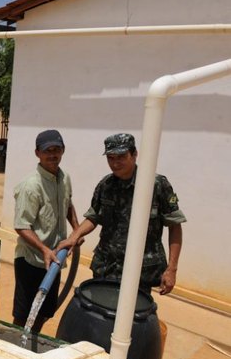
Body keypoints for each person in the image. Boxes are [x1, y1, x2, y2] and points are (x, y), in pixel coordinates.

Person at [58, 133, 186, 295]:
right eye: (110, 158)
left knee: (134, 317)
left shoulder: (157, 185)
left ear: (134, 154)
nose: (115, 163)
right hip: (107, 266)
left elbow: (174, 226)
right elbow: (93, 217)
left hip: (141, 272)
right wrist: (73, 237)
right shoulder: (106, 185)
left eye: (121, 157)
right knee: (101, 315)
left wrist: (172, 269)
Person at [12, 130, 80, 333]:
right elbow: (21, 225)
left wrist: (76, 231)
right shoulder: (31, 186)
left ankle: (32, 338)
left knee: (45, 310)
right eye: (47, 151)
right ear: (37, 153)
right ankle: (16, 345)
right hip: (32, 261)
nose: (53, 155)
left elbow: (67, 204)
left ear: (63, 151)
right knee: (24, 314)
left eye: (57, 150)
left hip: (54, 259)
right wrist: (43, 249)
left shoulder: (64, 177)